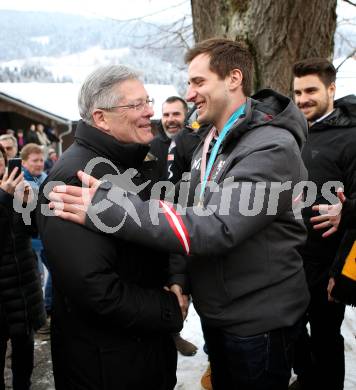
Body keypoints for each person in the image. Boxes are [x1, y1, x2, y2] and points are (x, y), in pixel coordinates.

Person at [48, 38, 310, 390]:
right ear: (101, 117)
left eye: (198, 82)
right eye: (137, 104)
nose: (189, 94)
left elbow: (215, 227)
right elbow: (183, 213)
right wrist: (179, 283)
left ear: (233, 79)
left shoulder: (269, 145)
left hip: (256, 322)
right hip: (204, 322)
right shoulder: (211, 141)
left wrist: (112, 207)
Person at [37, 65, 183, 390]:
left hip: (141, 354)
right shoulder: (74, 179)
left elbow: (162, 227)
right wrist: (168, 309)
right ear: (101, 118)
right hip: (106, 366)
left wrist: (176, 280)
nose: (149, 112)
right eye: (136, 105)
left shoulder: (136, 163)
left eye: (148, 101)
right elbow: (94, 288)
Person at [292, 57, 356, 389]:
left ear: (331, 89)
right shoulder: (295, 133)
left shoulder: (351, 137)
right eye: (298, 92)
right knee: (287, 328)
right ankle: (307, 377)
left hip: (329, 262)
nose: (303, 99)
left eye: (311, 90)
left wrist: (341, 273)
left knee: (327, 336)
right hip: (290, 257)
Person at [0, 144, 46, 390]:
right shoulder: (5, 194)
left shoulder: (14, 191)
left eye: (0, 161)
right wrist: (4, 198)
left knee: (24, 353)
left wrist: (29, 203)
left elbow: (33, 231)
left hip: (22, 287)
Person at [150, 96, 188, 180]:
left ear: (186, 116)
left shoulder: (195, 145)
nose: (170, 119)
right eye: (166, 115)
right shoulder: (151, 147)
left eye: (176, 114)